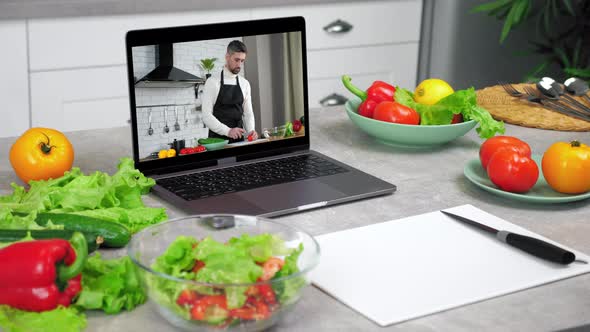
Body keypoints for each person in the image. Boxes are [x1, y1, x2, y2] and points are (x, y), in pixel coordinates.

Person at [201, 40, 258, 143]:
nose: (239, 65)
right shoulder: (212, 82)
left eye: (242, 61)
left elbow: (248, 113)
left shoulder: (245, 84)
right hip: (217, 142)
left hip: (239, 141)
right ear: (227, 57)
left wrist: (251, 131)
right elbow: (206, 115)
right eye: (236, 60)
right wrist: (228, 131)